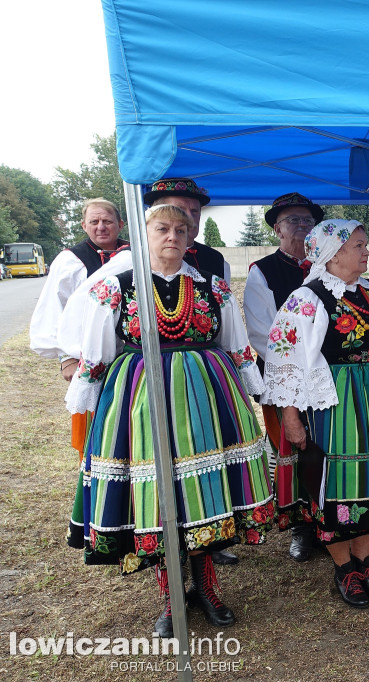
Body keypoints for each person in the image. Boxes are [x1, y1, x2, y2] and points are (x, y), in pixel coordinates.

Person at [60, 204, 273, 636]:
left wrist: (252, 387)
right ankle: (172, 596)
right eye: (162, 228)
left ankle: (207, 586)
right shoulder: (116, 288)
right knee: (159, 495)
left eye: (181, 229)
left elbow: (235, 343)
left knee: (204, 491)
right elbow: (96, 352)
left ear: (191, 235)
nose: (173, 236)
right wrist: (91, 400)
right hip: (142, 397)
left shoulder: (213, 288)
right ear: (144, 233)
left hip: (206, 399)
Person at [261, 219, 369, 608]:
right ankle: (343, 568)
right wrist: (291, 415)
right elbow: (287, 360)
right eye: (359, 245)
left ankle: (364, 561)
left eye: (365, 244)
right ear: (334, 252)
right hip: (336, 403)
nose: (367, 251)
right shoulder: (308, 298)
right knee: (339, 482)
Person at [143, 177, 236, 567]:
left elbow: (228, 331)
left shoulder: (212, 270)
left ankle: (206, 576)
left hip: (201, 386)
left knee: (203, 473)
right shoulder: (123, 272)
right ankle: (171, 591)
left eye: (190, 218)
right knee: (161, 484)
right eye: (166, 224)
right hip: (148, 389)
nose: (178, 230)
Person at [29, 198, 129, 544]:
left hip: (127, 356)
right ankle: (97, 512)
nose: (102, 227)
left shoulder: (134, 254)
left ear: (120, 224)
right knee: (96, 438)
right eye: (94, 222)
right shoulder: (71, 260)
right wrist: (66, 358)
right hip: (89, 359)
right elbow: (55, 309)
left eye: (108, 221)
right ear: (84, 225)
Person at [244, 192, 323, 562]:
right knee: (290, 448)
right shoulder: (263, 270)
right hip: (282, 376)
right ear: (277, 229)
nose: (303, 227)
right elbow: (262, 333)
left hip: (328, 376)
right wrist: (301, 364)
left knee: (325, 446)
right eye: (294, 221)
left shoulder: (328, 264)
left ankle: (328, 517)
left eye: (308, 221)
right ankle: (301, 528)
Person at [144, 177, 230, 280]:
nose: (189, 218)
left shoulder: (215, 259)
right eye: (179, 210)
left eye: (194, 211)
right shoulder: (132, 258)